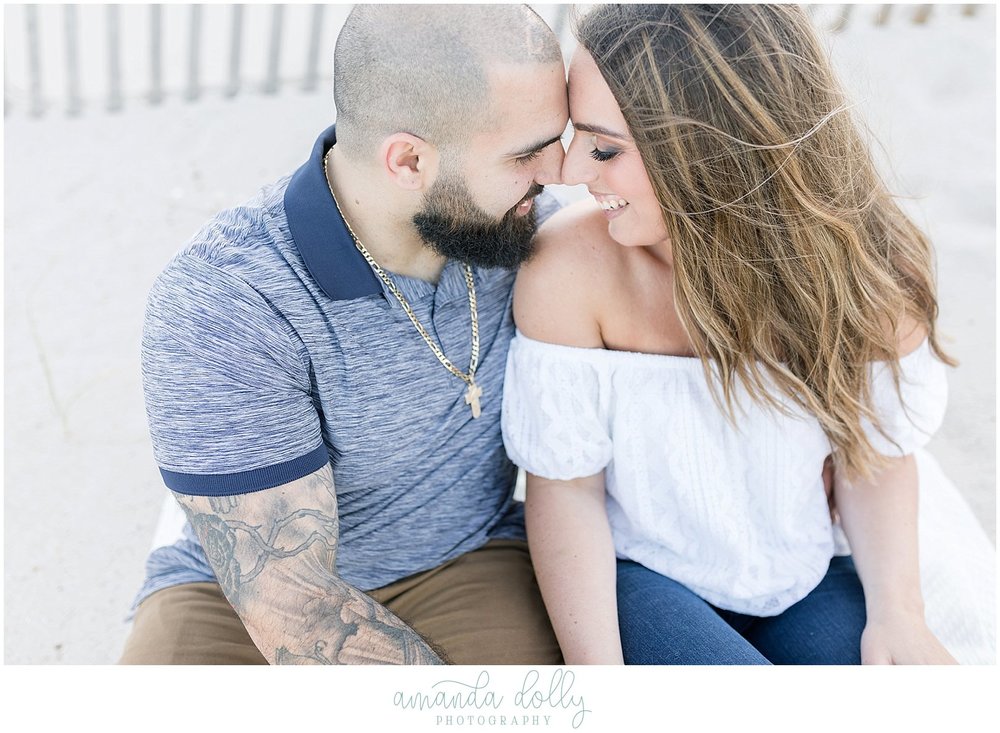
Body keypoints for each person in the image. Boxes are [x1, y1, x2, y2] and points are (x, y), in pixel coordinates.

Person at [502, 4, 959, 665]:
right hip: (643, 572)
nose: (570, 172)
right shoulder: (570, 269)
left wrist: (898, 613)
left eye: (604, 148)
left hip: (805, 572)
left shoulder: (868, 273)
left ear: (711, 152)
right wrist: (597, 677)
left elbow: (875, 455)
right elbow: (568, 486)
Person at [119, 4, 569, 665]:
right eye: (528, 152)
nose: (560, 172)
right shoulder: (226, 296)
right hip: (236, 592)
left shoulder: (523, 230)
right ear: (409, 160)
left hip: (461, 561)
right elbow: (293, 607)